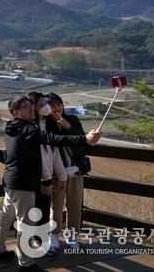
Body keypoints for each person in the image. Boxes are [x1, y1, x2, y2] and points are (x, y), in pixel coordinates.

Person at [0, 96, 102, 271]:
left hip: (11, 181)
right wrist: (84, 139)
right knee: (25, 223)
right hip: (23, 183)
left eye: (31, 106)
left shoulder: (11, 126)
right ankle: (26, 264)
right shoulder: (28, 129)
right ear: (15, 113)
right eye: (27, 107)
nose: (32, 109)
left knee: (6, 216)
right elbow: (52, 139)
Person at [26, 91, 67, 256]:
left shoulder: (46, 123)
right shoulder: (31, 127)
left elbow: (54, 152)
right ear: (33, 107)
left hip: (46, 177)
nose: (47, 107)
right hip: (37, 179)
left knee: (41, 211)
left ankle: (41, 244)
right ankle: (32, 246)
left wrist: (61, 175)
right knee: (32, 213)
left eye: (46, 104)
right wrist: (47, 181)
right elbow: (41, 156)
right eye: (42, 105)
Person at [45, 92, 87, 252]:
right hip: (56, 174)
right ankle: (54, 236)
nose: (57, 108)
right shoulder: (45, 124)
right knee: (55, 206)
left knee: (75, 205)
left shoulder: (73, 120)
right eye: (53, 105)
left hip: (75, 171)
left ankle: (72, 237)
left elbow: (83, 144)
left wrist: (68, 128)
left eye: (59, 104)